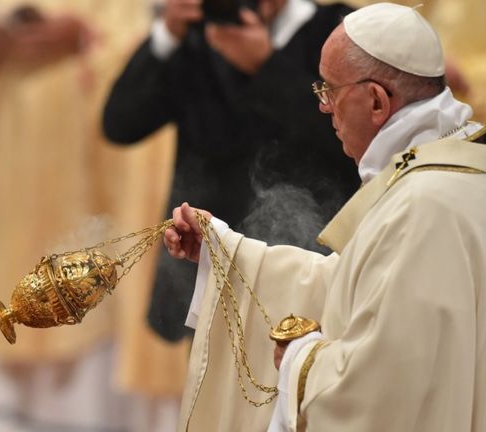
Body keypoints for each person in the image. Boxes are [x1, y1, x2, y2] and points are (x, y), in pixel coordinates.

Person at [164, 3, 486, 431]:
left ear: (375, 100)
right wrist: (226, 253)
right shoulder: (447, 173)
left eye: (329, 91)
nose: (324, 107)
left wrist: (300, 358)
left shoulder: (423, 206)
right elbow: (356, 290)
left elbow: (382, 390)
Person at [103, 0, 361, 342]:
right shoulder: (199, 38)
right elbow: (120, 124)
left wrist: (267, 66)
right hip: (209, 272)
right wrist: (166, 35)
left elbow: (348, 142)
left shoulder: (339, 31)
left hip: (309, 269)